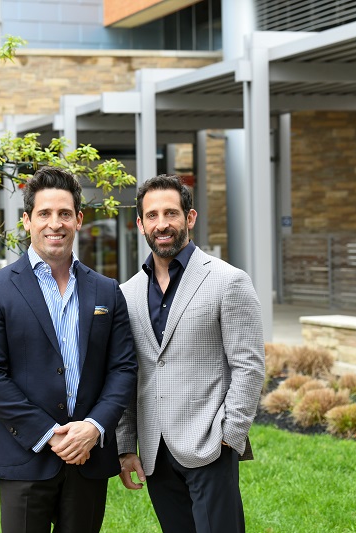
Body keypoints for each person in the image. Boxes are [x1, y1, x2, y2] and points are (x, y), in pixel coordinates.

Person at [0, 166, 138, 533]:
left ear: (79, 220)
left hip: (88, 456)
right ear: (27, 221)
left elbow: (123, 368)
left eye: (64, 213)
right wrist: (49, 433)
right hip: (26, 456)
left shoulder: (107, 291)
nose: (54, 224)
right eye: (44, 213)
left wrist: (93, 427)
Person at [116, 174, 265, 533]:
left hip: (210, 444)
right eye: (152, 215)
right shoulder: (127, 293)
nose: (162, 224)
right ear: (140, 224)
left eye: (171, 213)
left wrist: (231, 434)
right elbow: (125, 373)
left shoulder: (229, 281)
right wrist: (125, 446)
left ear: (190, 217)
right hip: (155, 451)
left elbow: (249, 365)